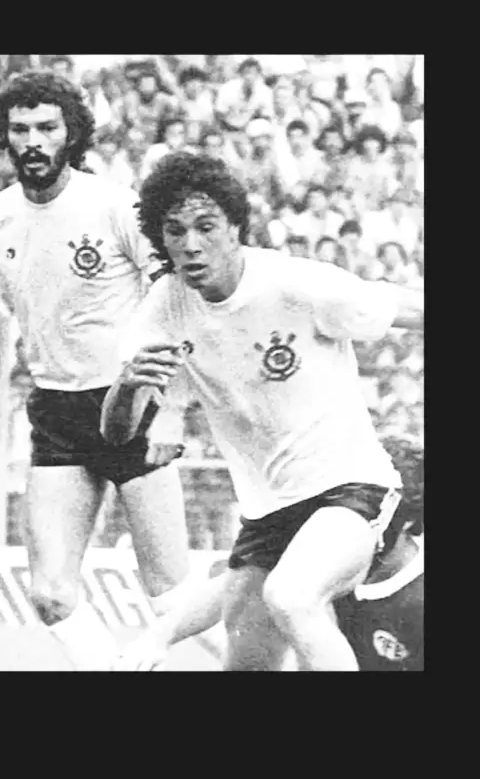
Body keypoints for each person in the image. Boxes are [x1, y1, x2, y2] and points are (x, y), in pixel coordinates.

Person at [101, 152, 423, 672]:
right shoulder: (163, 307)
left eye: (206, 227)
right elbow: (117, 434)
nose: (190, 244)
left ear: (235, 228)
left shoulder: (295, 284)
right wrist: (126, 384)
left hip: (351, 486)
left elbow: (403, 307)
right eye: (175, 230)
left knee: (293, 596)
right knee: (248, 665)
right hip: (268, 513)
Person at [0, 70, 189, 671]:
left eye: (46, 127)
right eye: (20, 129)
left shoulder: (113, 205)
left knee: (172, 598)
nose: (33, 141)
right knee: (51, 595)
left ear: (72, 134)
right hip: (56, 409)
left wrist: (173, 407)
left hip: (132, 402)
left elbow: (178, 299)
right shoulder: (2, 218)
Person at [112, 434, 424, 673]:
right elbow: (229, 588)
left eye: (365, 511)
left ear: (407, 519)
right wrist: (156, 639)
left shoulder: (418, 597)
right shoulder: (331, 551)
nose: (351, 519)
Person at [140, 117, 192, 181]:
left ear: (186, 134)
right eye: (172, 132)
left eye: (180, 133)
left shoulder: (192, 152)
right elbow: (144, 175)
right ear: (165, 134)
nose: (176, 135)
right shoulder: (154, 150)